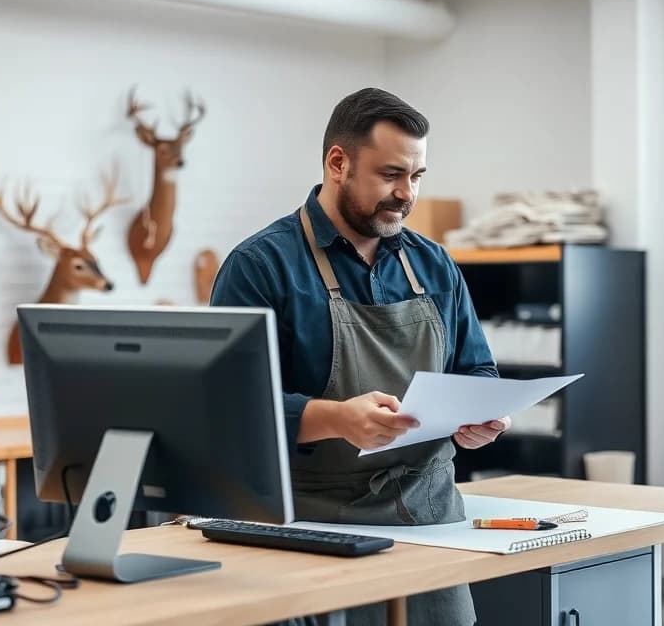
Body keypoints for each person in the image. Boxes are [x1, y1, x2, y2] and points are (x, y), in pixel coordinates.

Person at [211, 87, 506, 626]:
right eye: (391, 174)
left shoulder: (433, 263)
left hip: (429, 522)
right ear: (338, 162)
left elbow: (476, 367)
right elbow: (228, 412)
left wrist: (481, 415)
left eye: (417, 177)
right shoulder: (260, 266)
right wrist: (336, 419)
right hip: (308, 529)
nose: (406, 194)